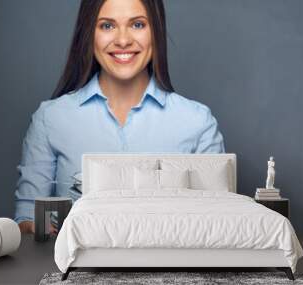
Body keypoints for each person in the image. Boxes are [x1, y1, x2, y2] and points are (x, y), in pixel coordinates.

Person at [14, 0, 225, 234]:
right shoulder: (50, 119)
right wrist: (43, 230)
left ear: (156, 30)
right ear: (88, 34)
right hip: (76, 267)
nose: (123, 40)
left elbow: (217, 225)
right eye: (107, 26)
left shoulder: (197, 122)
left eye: (137, 24)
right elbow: (27, 218)